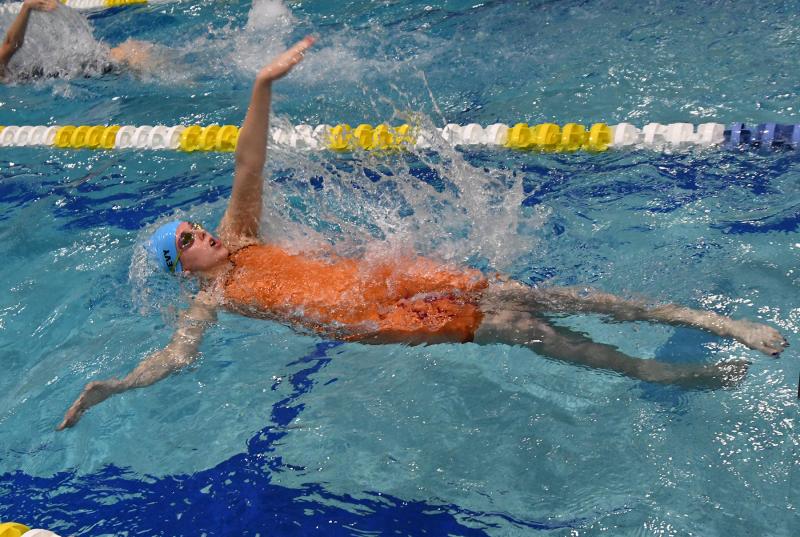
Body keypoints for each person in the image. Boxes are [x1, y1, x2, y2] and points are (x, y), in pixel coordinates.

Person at [57, 37, 789, 430]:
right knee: (525, 328)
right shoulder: (212, 300)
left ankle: (705, 319)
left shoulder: (241, 235)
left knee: (538, 291)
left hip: (393, 273)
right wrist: (112, 387)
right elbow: (176, 358)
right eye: (185, 241)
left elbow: (249, 156)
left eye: (192, 226)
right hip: (378, 315)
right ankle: (664, 374)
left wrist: (263, 84)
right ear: (182, 268)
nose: (198, 232)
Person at [0, 0, 151, 82]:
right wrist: (27, 7)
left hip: (61, 71)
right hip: (66, 72)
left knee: (132, 53)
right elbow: (11, 43)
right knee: (132, 53)